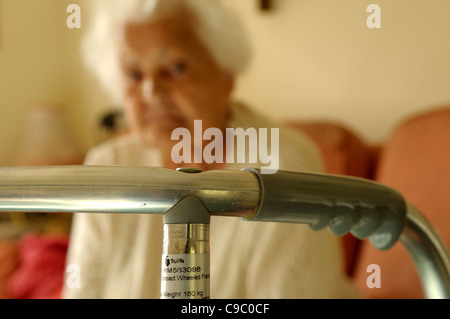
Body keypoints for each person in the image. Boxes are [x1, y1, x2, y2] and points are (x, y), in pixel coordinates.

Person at [63, 0, 359, 298]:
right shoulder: (106, 166)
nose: (152, 91)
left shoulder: (283, 167)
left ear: (226, 75)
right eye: (134, 74)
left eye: (176, 68)